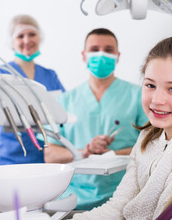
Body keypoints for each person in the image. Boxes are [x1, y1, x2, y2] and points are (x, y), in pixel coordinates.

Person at [70, 36, 172, 219]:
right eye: (150, 85)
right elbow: (118, 209)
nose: (157, 100)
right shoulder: (147, 137)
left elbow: (171, 214)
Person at [44, 28, 148, 210]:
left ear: (118, 56)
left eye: (108, 50)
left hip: (124, 200)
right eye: (94, 49)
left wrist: (112, 154)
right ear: (84, 56)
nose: (101, 55)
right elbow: (49, 154)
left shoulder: (139, 96)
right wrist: (84, 152)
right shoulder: (63, 102)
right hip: (74, 201)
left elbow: (151, 146)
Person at [0, 14, 65, 166]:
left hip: (45, 156)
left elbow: (64, 107)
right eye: (20, 36)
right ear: (11, 42)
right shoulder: (0, 74)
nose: (27, 40)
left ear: (40, 37)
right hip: (10, 157)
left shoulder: (49, 75)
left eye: (32, 34)